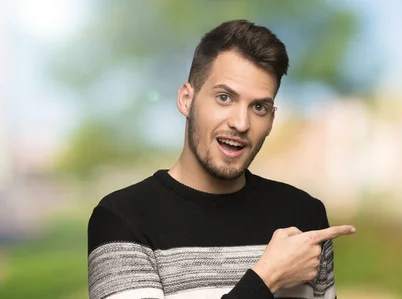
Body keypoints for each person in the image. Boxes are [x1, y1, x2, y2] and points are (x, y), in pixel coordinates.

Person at [87, 19, 355, 299]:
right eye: (225, 97)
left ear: (271, 120)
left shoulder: (305, 216)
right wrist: (267, 278)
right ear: (186, 100)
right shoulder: (122, 220)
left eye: (259, 107)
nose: (241, 123)